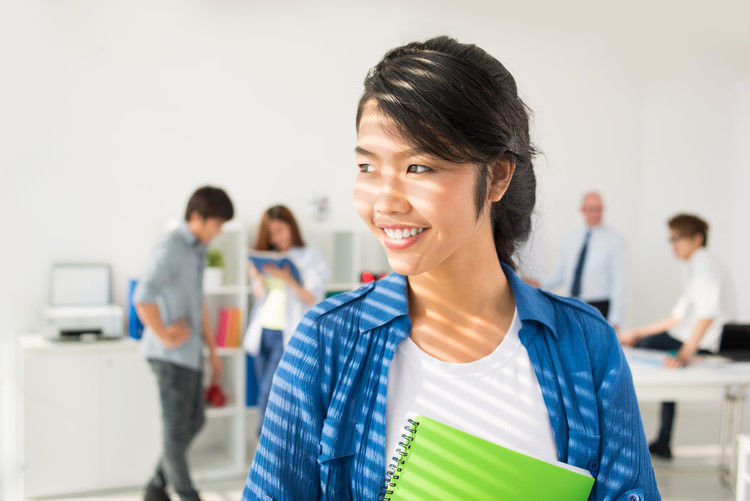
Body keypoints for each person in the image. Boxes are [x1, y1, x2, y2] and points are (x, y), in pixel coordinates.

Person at [242, 36, 658, 500]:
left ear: (498, 175)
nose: (385, 201)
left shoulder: (585, 344)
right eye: (367, 166)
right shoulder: (325, 344)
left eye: (418, 167)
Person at [134, 186, 234, 501]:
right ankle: (188, 495)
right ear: (196, 217)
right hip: (168, 355)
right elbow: (143, 296)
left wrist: (212, 351)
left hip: (189, 354)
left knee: (196, 420)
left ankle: (155, 487)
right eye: (217, 223)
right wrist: (163, 334)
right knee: (176, 433)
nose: (219, 231)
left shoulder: (198, 250)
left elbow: (198, 302)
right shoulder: (171, 247)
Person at [620, 214, 734, 460]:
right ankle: (663, 440)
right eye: (671, 239)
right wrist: (636, 333)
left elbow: (707, 316)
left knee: (648, 348)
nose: (673, 244)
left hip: (705, 344)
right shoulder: (694, 267)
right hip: (690, 337)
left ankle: (660, 439)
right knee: (644, 343)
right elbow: (677, 318)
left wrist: (684, 354)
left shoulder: (705, 264)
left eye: (678, 238)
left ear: (697, 239)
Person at [242, 205, 330, 436]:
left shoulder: (310, 256)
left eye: (280, 230)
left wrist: (288, 279)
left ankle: (261, 445)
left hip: (287, 334)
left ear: (291, 227)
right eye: (271, 234)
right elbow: (259, 297)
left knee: (269, 394)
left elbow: (313, 297)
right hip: (264, 332)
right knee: (265, 391)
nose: (276, 238)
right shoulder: (270, 257)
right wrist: (258, 278)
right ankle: (267, 445)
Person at [527, 192, 627, 330]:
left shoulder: (615, 240)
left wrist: (615, 318)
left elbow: (619, 282)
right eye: (592, 209)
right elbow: (561, 274)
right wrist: (540, 283)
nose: (596, 214)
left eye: (599, 209)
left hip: (598, 305)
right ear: (583, 210)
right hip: (572, 304)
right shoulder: (571, 238)